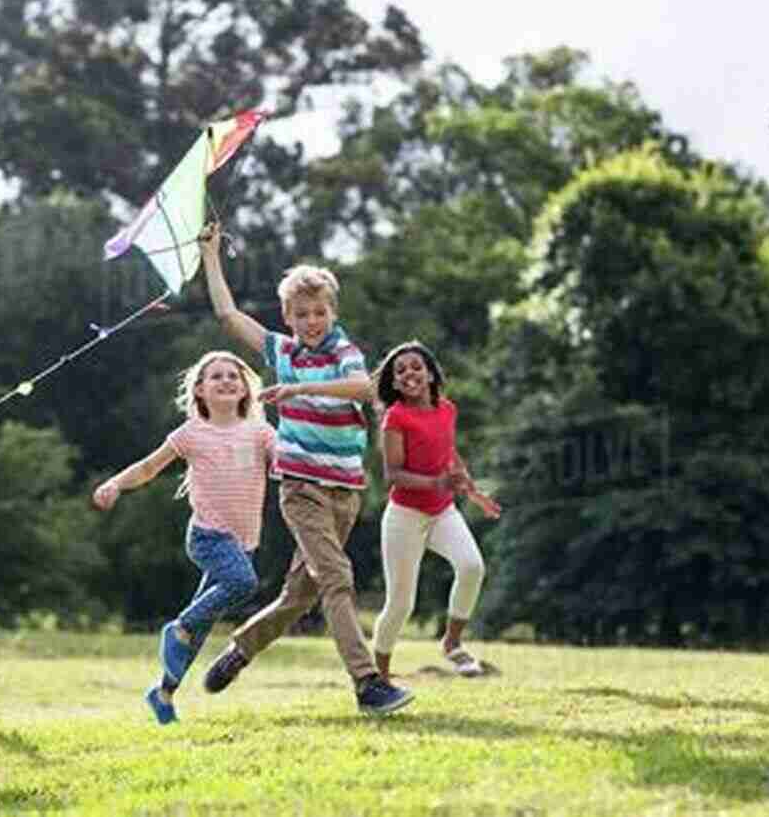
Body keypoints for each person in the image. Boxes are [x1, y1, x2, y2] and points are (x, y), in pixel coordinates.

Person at [196, 223, 413, 716]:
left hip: (345, 492)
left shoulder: (343, 352)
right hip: (301, 488)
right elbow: (228, 315)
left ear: (332, 313)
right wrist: (212, 255)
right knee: (337, 576)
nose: (311, 321)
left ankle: (241, 648)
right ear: (287, 317)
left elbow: (363, 388)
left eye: (319, 312)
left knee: (300, 595)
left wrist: (297, 391)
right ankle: (368, 685)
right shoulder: (282, 351)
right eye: (301, 314)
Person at [93, 350, 275, 725]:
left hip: (245, 542)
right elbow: (148, 468)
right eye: (216, 377)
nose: (226, 381)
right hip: (208, 537)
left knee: (202, 626)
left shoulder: (260, 432)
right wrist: (115, 484)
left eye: (233, 376)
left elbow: (286, 461)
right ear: (199, 391)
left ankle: (162, 692)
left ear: (246, 389)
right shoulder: (191, 434)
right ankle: (178, 627)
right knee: (242, 583)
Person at [370, 341, 501, 681]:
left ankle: (452, 643)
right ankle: (378, 677)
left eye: (415, 367)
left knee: (472, 566)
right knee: (400, 605)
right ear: (395, 383)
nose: (408, 373)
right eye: (400, 371)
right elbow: (393, 475)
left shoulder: (447, 410)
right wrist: (438, 483)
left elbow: (449, 455)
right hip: (404, 517)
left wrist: (473, 492)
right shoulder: (395, 417)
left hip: (442, 512)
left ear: (429, 373)